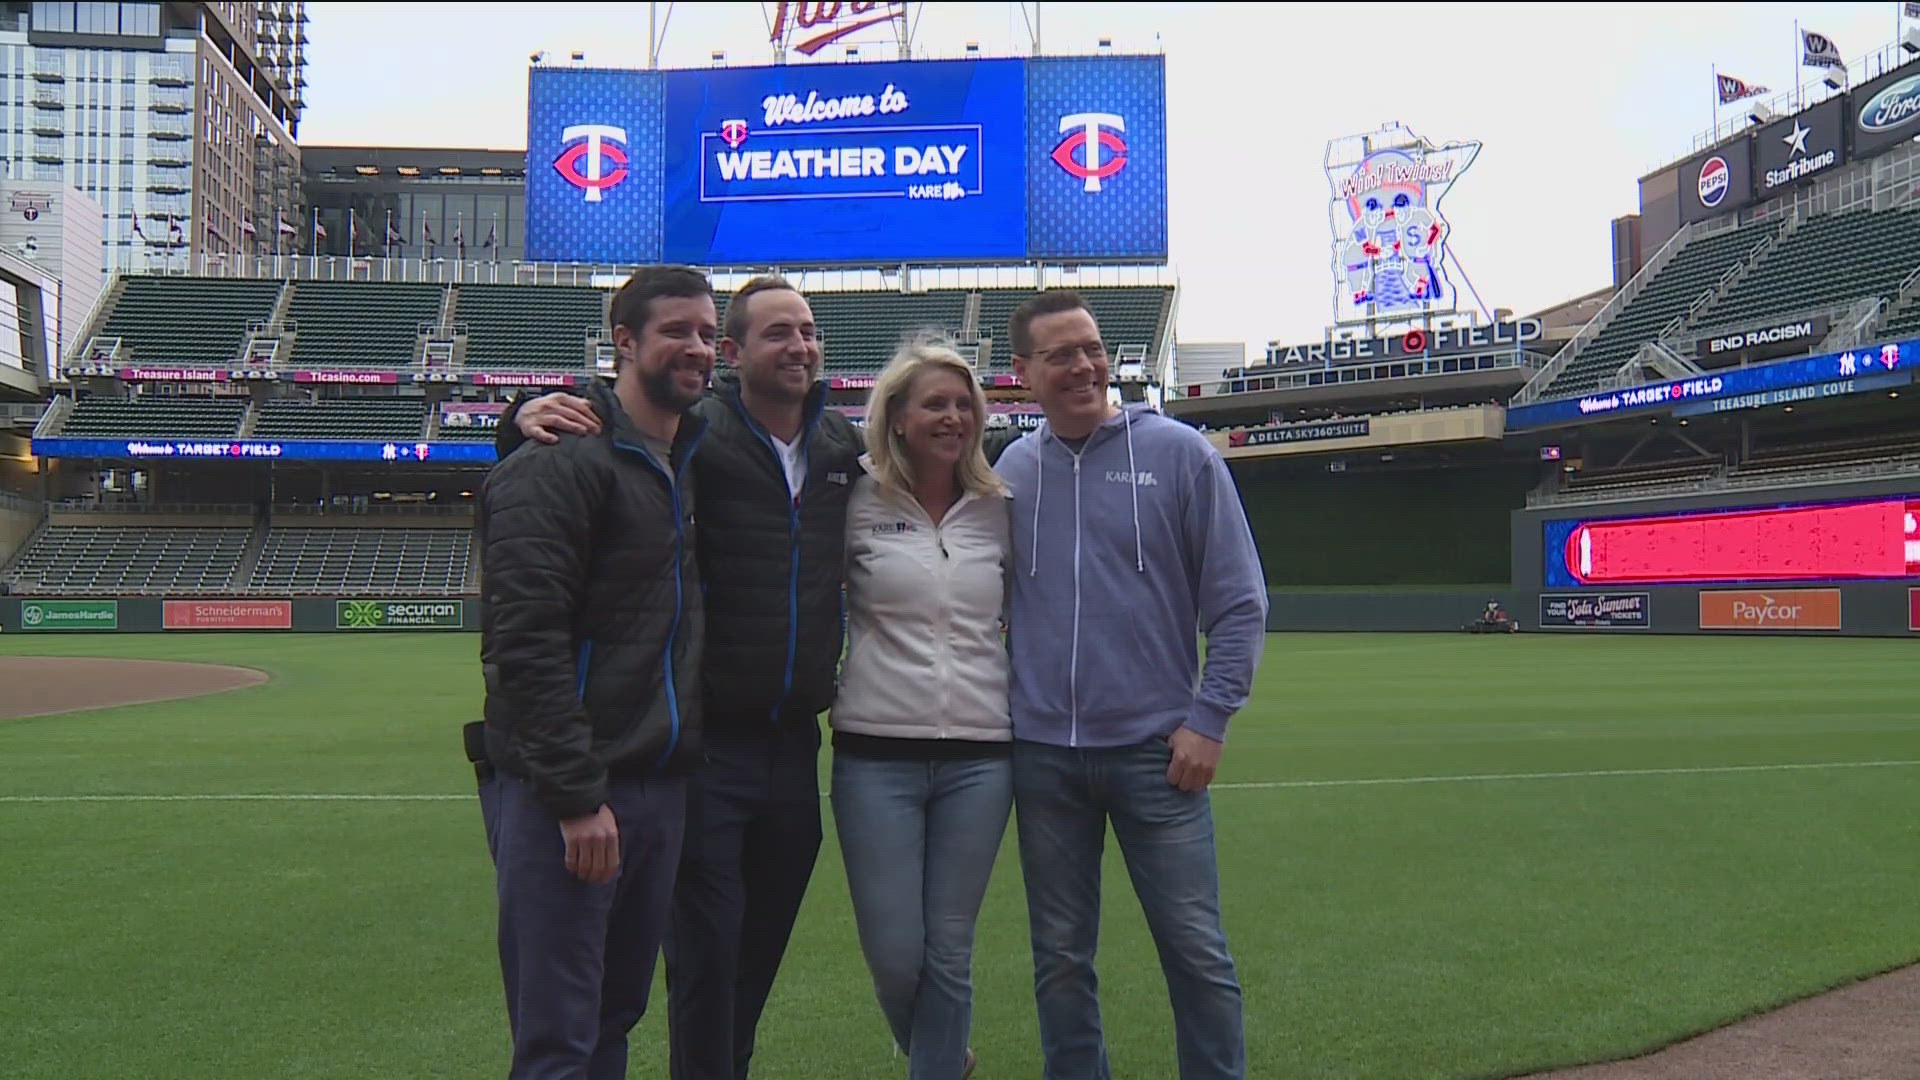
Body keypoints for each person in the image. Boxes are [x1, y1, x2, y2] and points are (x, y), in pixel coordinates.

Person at [499, 275, 862, 1080]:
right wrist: (519, 414)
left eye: (808, 330)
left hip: (787, 750)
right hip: (698, 747)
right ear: (736, 354)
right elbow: (599, 441)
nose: (799, 345)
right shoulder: (699, 432)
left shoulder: (843, 446)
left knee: (720, 970)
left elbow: (947, 441)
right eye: (776, 333)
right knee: (679, 971)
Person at [995, 290, 1268, 1080]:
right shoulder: (1013, 467)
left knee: (1194, 952)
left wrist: (1210, 719)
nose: (1084, 365)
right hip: (1044, 755)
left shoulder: (1182, 454)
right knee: (1059, 958)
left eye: (1092, 347)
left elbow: (1241, 602)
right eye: (1060, 354)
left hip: (1159, 752)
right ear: (1022, 373)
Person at [471, 265, 716, 1079]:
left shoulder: (684, 457)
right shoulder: (557, 459)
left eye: (709, 334)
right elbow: (524, 641)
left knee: (612, 1018)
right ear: (624, 342)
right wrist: (576, 796)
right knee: (558, 1038)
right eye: (678, 330)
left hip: (656, 783)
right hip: (569, 794)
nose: (697, 348)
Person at [831, 339, 1013, 1080]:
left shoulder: (1002, 506)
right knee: (895, 954)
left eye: (963, 403)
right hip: (875, 756)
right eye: (934, 403)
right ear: (897, 418)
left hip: (982, 757)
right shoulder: (855, 497)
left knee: (949, 949)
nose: (952, 416)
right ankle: (946, 1059)